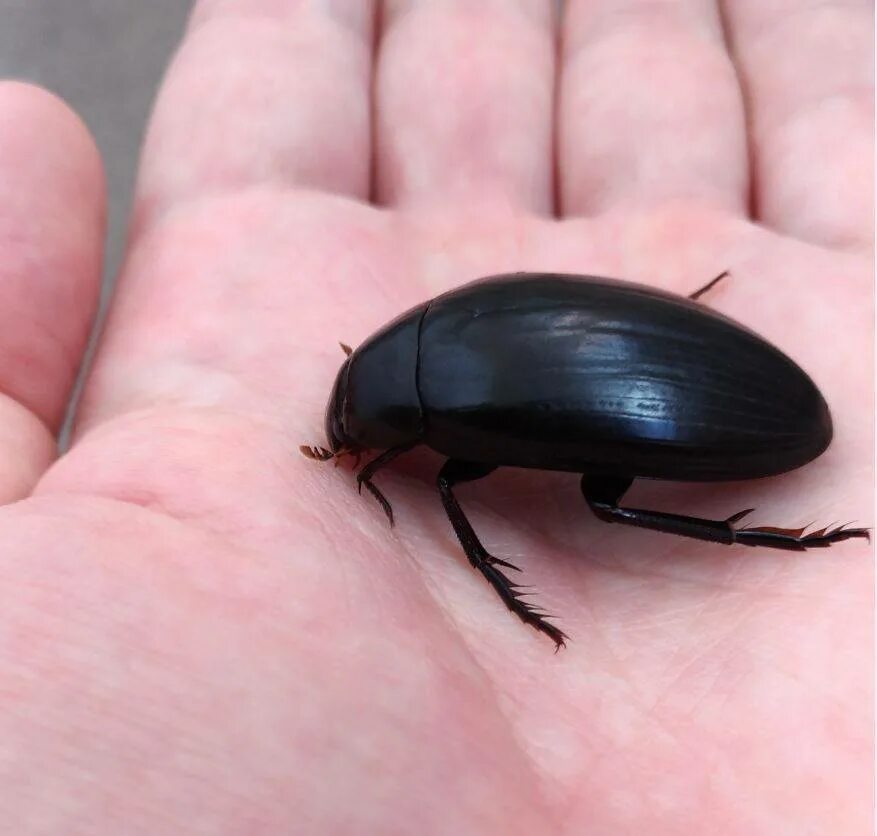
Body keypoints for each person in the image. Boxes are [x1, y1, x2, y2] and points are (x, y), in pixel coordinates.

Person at [0, 2, 871, 832]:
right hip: (707, 370)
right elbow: (570, 307)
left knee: (603, 503)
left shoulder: (453, 419)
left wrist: (492, 580)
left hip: (731, 410)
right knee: (584, 490)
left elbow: (523, 385)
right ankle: (767, 540)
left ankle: (765, 545)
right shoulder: (458, 312)